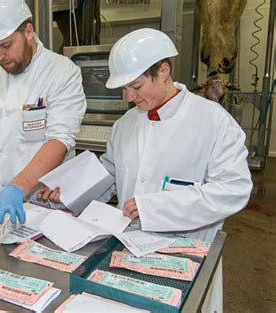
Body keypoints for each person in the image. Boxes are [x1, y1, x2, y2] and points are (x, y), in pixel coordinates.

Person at [38, 28, 252, 312]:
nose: (129, 97)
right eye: (124, 88)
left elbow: (233, 190)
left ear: (163, 70)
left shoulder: (213, 121)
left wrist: (156, 207)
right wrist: (69, 191)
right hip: (128, 250)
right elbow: (111, 173)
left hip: (184, 257)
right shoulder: (126, 124)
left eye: (136, 87)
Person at [0, 0, 86, 225]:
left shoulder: (62, 72)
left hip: (42, 200)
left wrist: (18, 187)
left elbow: (59, 140)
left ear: (28, 31)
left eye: (6, 45)